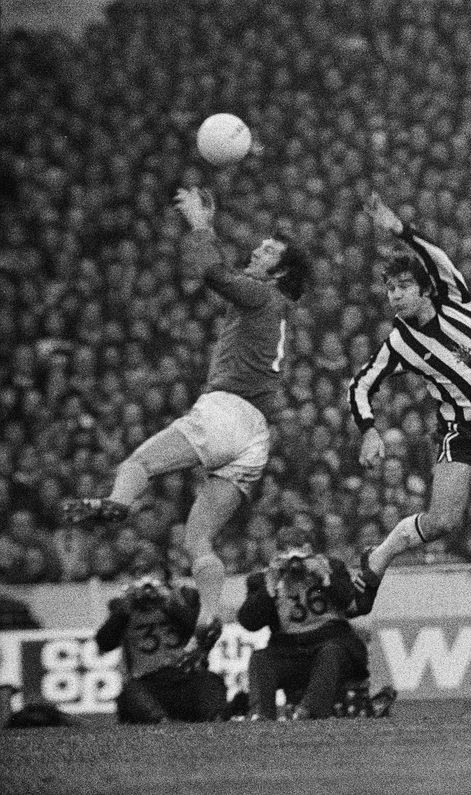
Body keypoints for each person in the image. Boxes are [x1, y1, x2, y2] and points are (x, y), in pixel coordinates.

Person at [64, 187, 310, 650]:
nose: (258, 251)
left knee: (136, 466)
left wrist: (199, 224)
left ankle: (116, 504)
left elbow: (213, 273)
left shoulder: (263, 298)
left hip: (225, 412)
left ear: (282, 272)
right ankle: (208, 619)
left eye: (269, 250)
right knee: (197, 541)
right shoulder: (278, 312)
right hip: (255, 435)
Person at [350, 193, 471, 585]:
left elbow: (435, 255)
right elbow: (362, 384)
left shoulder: (455, 298)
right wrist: (369, 429)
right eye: (389, 289)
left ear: (423, 289)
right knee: (442, 522)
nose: (395, 294)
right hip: (463, 429)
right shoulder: (399, 344)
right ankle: (380, 556)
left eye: (403, 285)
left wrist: (398, 228)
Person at [237, 528, 369, 720]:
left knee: (331, 651)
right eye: (287, 553)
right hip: (289, 651)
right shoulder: (263, 579)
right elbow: (249, 622)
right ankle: (260, 715)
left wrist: (326, 578)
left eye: (300, 552)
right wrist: (269, 588)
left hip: (331, 643)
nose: (295, 561)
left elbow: (351, 605)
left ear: (311, 551)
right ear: (277, 555)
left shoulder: (332, 567)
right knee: (261, 658)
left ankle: (309, 711)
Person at [94, 555, 226, 724]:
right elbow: (104, 642)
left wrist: (170, 604)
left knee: (209, 681)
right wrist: (124, 611)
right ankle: (161, 722)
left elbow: (200, 629)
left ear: (166, 577)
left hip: (184, 676)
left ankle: (215, 721)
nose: (147, 582)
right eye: (140, 575)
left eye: (152, 574)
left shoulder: (184, 596)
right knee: (130, 691)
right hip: (148, 681)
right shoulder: (122, 606)